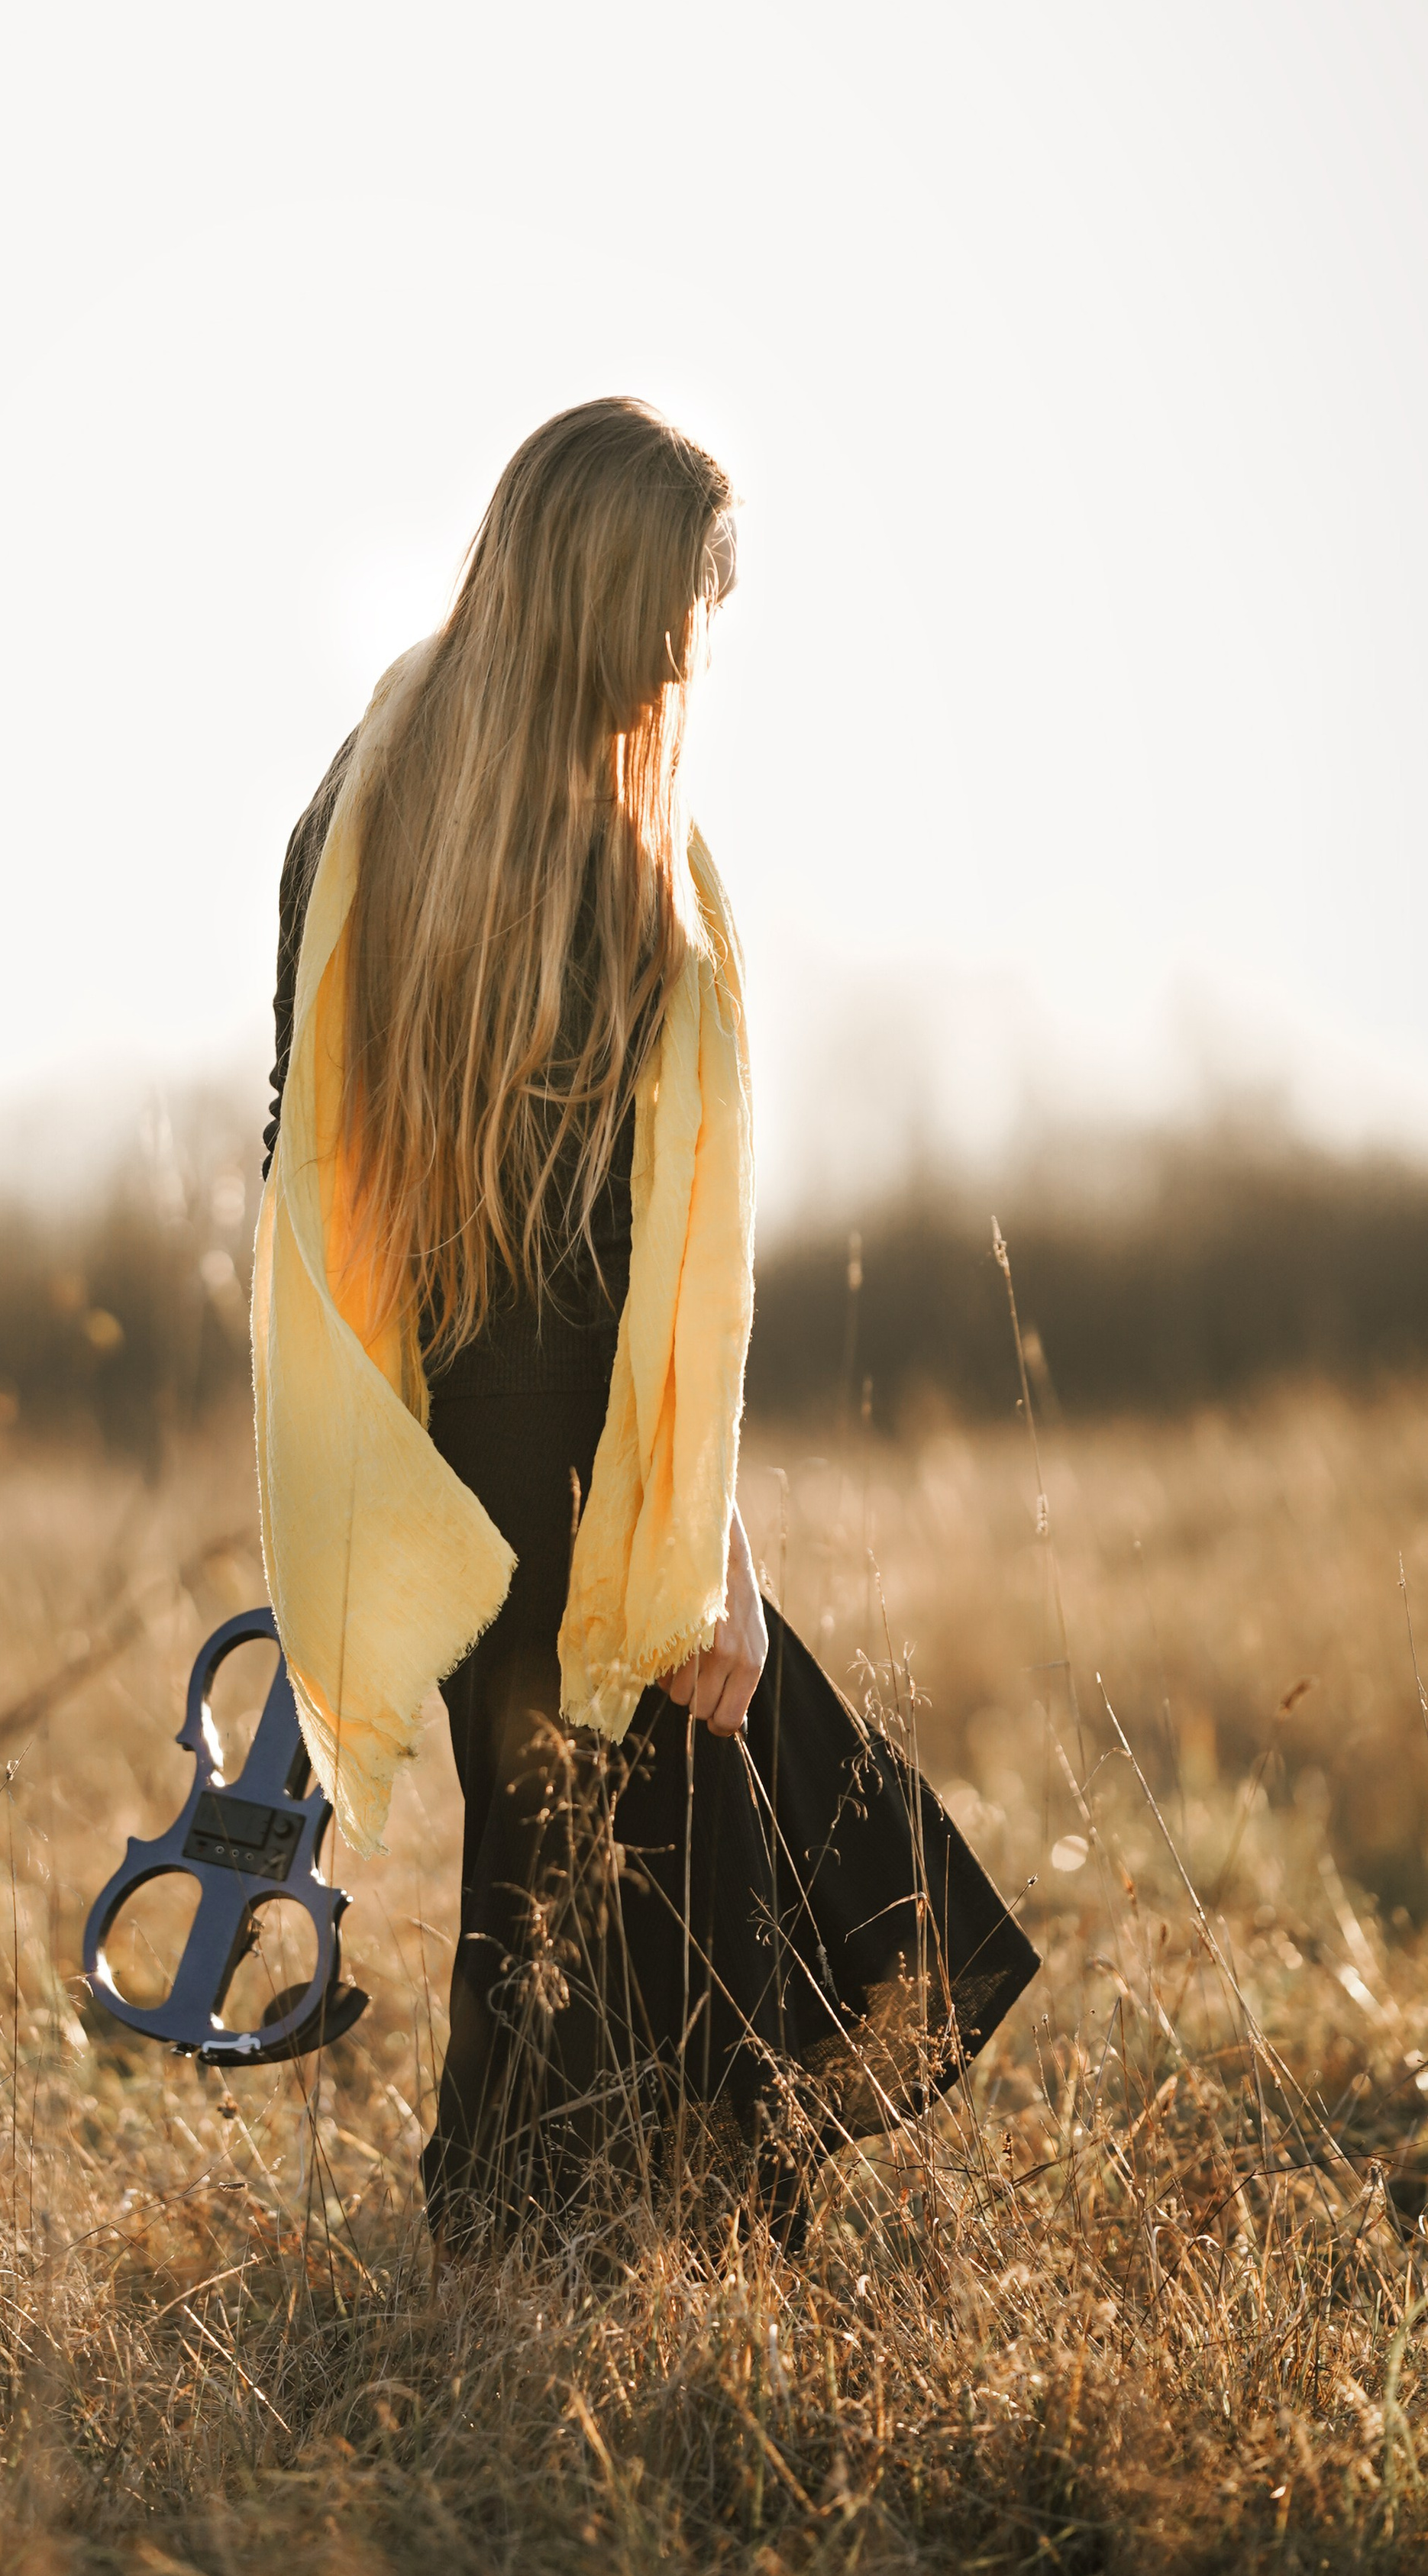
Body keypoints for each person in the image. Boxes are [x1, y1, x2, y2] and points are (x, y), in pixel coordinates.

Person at [254, 399, 1033, 2248]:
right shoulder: (605, 856)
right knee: (699, 1855)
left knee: (583, 1859)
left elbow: (292, 1135)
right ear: (616, 598)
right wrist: (705, 1548)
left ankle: (568, 2251)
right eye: (688, 611)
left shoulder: (355, 809)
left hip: (433, 1432)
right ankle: (579, 2255)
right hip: (579, 1444)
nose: (694, 657)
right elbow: (625, 1263)